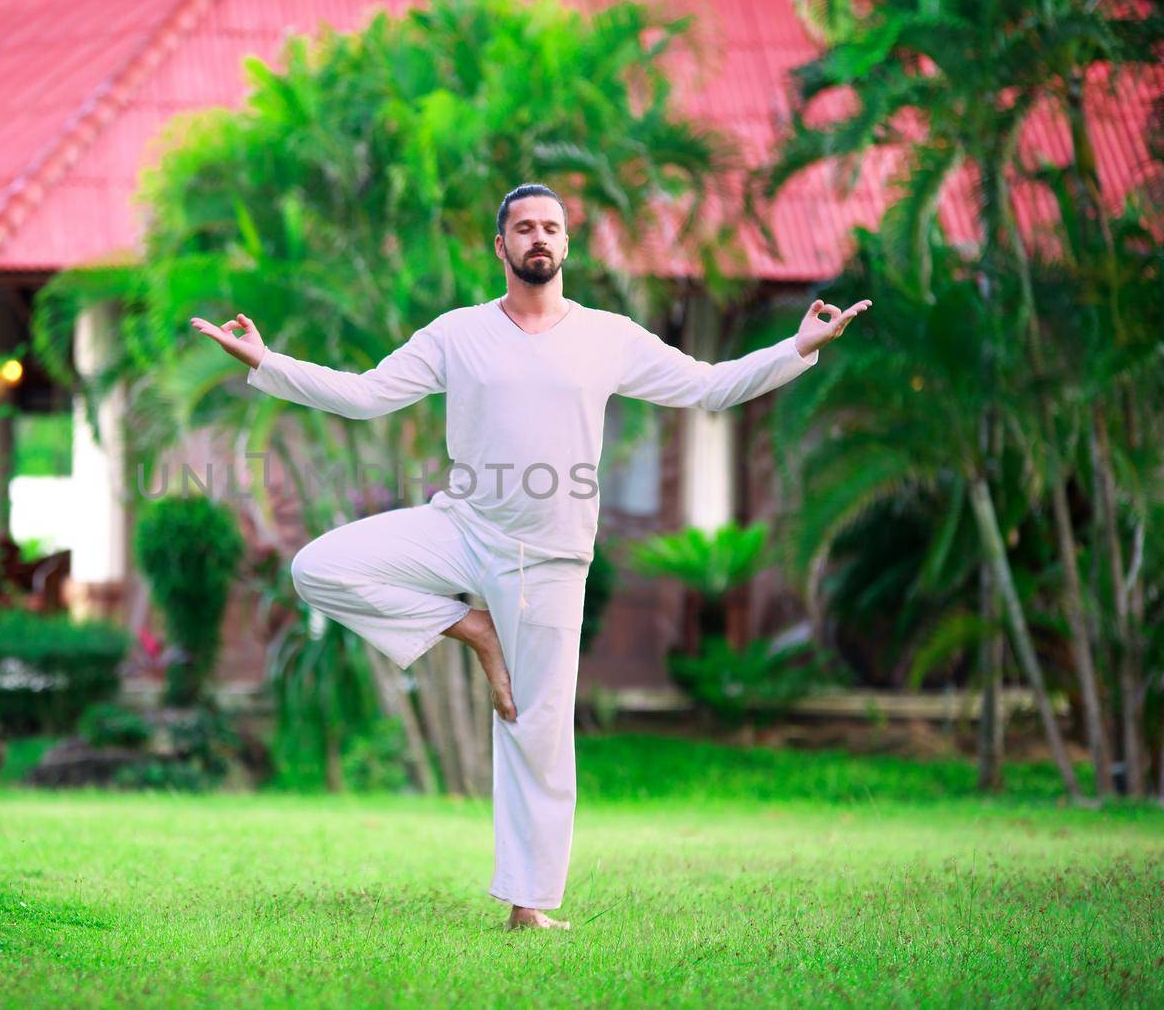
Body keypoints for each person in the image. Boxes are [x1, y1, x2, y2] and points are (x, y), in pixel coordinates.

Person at [190, 182, 870, 931]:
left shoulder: (608, 336)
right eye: (523, 228)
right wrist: (264, 362)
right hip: (462, 528)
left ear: (566, 245)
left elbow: (708, 388)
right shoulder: (456, 333)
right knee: (318, 567)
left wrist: (796, 348)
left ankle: (527, 907)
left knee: (537, 730)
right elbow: (363, 395)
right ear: (501, 246)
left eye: (551, 227)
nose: (538, 237)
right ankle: (472, 630)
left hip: (549, 558)